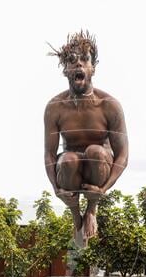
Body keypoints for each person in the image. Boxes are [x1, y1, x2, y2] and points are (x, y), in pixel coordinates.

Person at [44, 30, 129, 247]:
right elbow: (49, 154)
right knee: (68, 159)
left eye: (85, 59)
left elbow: (123, 155)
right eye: (72, 61)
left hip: (99, 166)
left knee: (96, 152)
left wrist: (102, 191)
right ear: (66, 69)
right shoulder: (55, 108)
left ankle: (91, 209)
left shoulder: (109, 105)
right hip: (70, 170)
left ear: (93, 67)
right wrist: (56, 189)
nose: (79, 65)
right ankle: (75, 215)